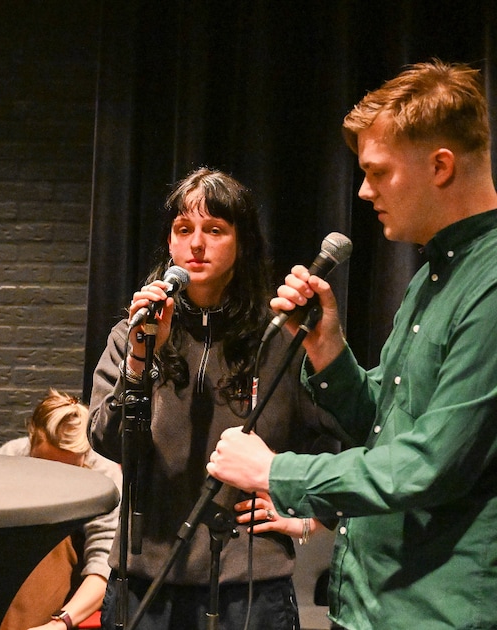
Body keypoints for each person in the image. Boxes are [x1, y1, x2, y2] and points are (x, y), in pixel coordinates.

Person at [208, 60, 497, 630]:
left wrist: (275, 472)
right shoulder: (433, 275)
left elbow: (428, 468)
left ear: (441, 167)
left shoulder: (489, 284)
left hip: (435, 613)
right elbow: (385, 428)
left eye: (378, 171)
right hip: (372, 602)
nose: (363, 191)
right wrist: (328, 349)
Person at [89, 167, 346, 629]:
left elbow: (339, 433)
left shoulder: (280, 337)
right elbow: (107, 440)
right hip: (144, 584)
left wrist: (306, 517)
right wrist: (140, 360)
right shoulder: (135, 333)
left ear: (241, 242)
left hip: (249, 590)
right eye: (183, 230)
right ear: (169, 243)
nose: (196, 244)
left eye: (215, 230)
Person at [0, 389, 120, 630]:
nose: (55, 479)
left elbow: (104, 562)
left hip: (71, 581)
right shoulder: (10, 458)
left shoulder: (104, 476)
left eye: (68, 472)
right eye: (45, 467)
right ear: (31, 442)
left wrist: (60, 622)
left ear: (83, 458)